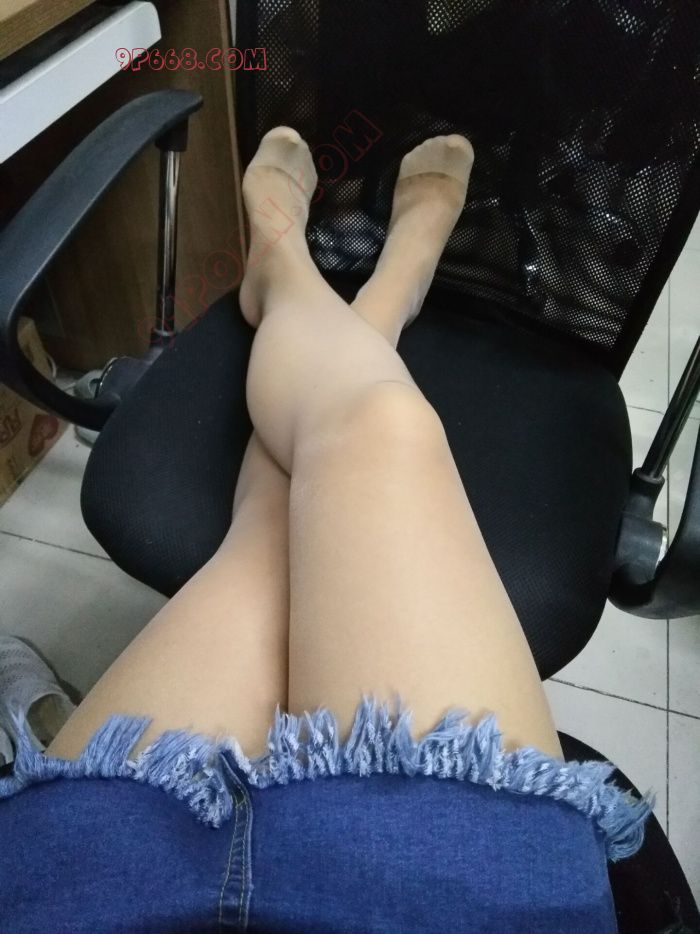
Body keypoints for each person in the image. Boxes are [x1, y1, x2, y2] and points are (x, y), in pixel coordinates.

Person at [0, 129, 651, 932]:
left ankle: (285, 270)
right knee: (379, 429)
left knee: (282, 526)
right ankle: (379, 290)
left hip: (101, 892)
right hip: (448, 891)